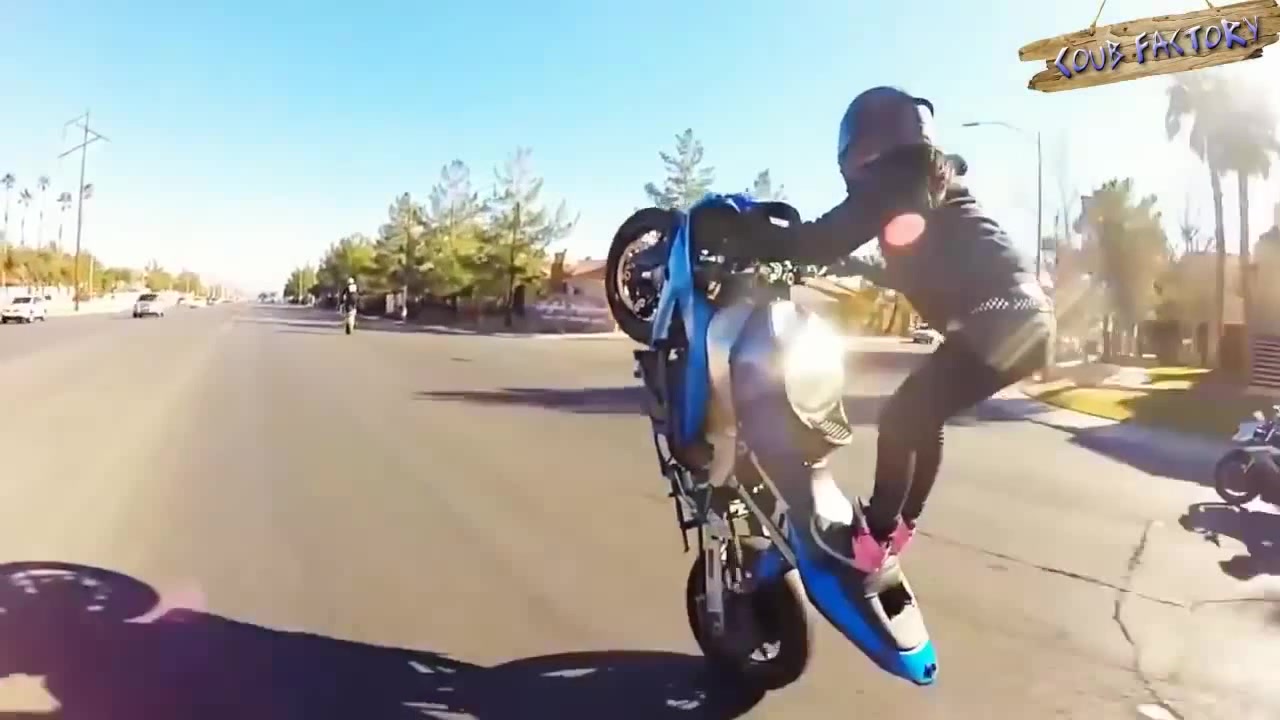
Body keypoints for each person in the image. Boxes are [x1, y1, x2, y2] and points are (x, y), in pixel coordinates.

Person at [738, 86, 1056, 574]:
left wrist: (749, 237)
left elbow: (816, 240)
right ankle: (900, 526)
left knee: (901, 419)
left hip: (995, 318)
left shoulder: (895, 179)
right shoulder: (929, 187)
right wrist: (856, 267)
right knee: (922, 417)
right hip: (1027, 317)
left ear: (867, 144)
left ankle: (872, 539)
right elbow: (915, 268)